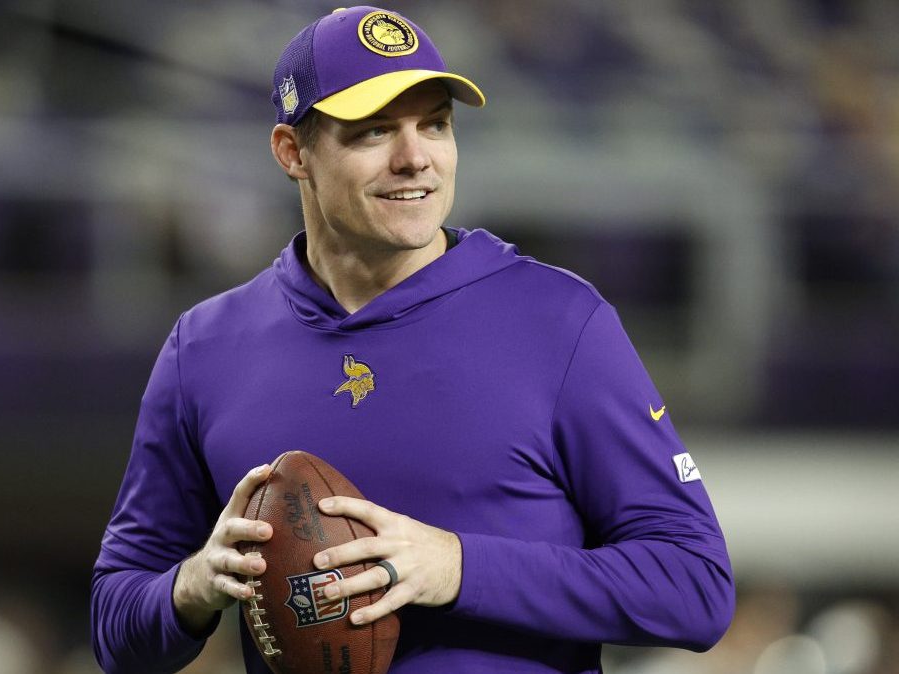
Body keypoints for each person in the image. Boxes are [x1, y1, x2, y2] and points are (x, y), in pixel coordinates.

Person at [91, 6, 734, 673]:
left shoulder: (559, 320)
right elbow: (115, 624)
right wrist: (193, 586)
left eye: (435, 124)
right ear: (292, 153)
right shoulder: (204, 349)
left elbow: (695, 587)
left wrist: (457, 566)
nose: (415, 158)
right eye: (374, 131)